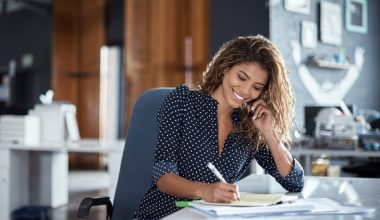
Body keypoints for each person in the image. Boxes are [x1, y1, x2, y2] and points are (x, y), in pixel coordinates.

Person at [134, 35, 304, 219]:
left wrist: (270, 134)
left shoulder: (249, 126)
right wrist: (204, 190)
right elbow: (163, 177)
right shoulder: (182, 102)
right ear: (225, 68)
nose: (246, 90)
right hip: (165, 212)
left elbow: (295, 182)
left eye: (256, 87)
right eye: (241, 77)